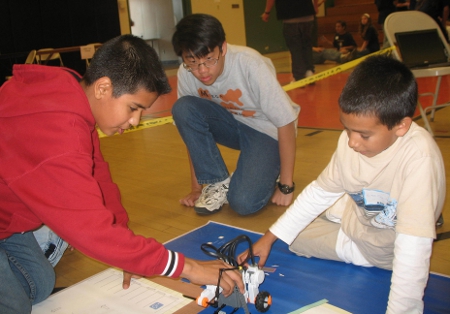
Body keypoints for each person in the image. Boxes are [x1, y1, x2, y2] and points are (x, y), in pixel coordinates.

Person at [0, 34, 244, 313]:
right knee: (15, 306)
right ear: (103, 88)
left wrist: (129, 255)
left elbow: (99, 178)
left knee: (41, 284)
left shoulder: (74, 97)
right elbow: (90, 229)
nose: (135, 121)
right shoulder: (57, 132)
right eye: (133, 108)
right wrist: (189, 268)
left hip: (8, 224)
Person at [238, 55, 445, 313]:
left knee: (302, 237)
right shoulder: (354, 142)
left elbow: (412, 254)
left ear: (401, 126)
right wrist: (268, 238)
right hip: (360, 220)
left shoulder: (419, 159)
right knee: (295, 232)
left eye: (364, 135)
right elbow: (318, 193)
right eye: (347, 129)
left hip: (378, 250)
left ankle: (412, 217)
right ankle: (351, 208)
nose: (351, 143)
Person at [171, 14, 300, 216]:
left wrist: (286, 185)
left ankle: (268, 170)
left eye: (209, 60)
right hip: (231, 124)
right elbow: (191, 133)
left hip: (266, 130)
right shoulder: (186, 73)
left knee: (243, 203)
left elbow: (286, 123)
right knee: (182, 108)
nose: (202, 70)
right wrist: (198, 188)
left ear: (222, 48)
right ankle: (217, 182)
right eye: (193, 62)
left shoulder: (250, 64)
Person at [262, 0, 316, 81]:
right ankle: (309, 71)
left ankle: (299, 75)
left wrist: (267, 12)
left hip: (290, 15)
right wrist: (315, 6)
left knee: (295, 47)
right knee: (307, 45)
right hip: (307, 14)